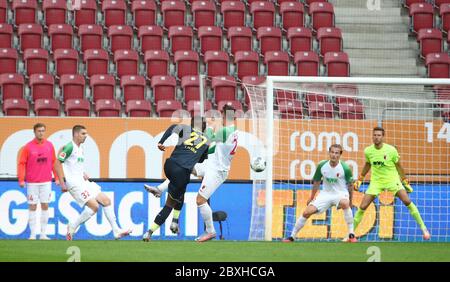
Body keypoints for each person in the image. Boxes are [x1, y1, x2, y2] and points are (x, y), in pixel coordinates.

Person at [145, 106, 238, 242]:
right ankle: (160, 189)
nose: (220, 118)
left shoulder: (225, 131)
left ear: (225, 116)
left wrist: (210, 128)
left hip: (217, 170)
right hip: (212, 164)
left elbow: (208, 140)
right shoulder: (234, 131)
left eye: (221, 116)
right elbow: (209, 148)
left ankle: (210, 231)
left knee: (200, 201)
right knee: (184, 168)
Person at [55, 125, 131, 240]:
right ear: (76, 134)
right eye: (83, 134)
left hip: (83, 181)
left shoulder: (80, 147)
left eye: (86, 133)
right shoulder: (70, 147)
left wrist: (83, 173)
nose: (86, 136)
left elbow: (74, 164)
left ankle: (116, 231)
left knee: (106, 200)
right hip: (74, 184)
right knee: (95, 206)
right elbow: (57, 163)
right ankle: (73, 225)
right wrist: (62, 183)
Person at [353, 127, 430, 240]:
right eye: (374, 135)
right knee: (363, 206)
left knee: (407, 201)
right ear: (372, 136)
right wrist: (360, 179)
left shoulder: (391, 150)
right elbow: (368, 164)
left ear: (383, 137)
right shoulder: (368, 151)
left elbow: (399, 166)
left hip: (392, 180)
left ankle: (424, 229)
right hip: (376, 182)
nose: (376, 137)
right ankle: (350, 234)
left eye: (379, 135)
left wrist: (404, 180)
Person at [143, 116, 210, 241]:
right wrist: (195, 154)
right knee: (170, 203)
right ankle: (150, 232)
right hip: (182, 172)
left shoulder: (186, 129)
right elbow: (201, 159)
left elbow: (172, 127)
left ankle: (160, 190)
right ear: (204, 127)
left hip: (169, 165)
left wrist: (161, 142)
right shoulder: (207, 141)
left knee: (180, 189)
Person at [283, 144, 356, 243]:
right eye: (332, 152)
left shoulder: (345, 168)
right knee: (306, 212)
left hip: (340, 193)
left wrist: (350, 201)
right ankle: (292, 236)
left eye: (336, 153)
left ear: (340, 155)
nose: (334, 155)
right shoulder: (322, 165)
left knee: (345, 203)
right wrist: (312, 197)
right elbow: (317, 182)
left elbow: (350, 185)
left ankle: (351, 235)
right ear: (329, 153)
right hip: (325, 194)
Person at [18, 123, 66, 240]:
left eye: (43, 131)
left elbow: (54, 162)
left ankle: (43, 233)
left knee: (45, 205)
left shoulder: (49, 146)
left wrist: (57, 177)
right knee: (32, 206)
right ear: (34, 132)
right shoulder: (28, 147)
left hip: (46, 182)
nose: (41, 133)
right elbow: (22, 163)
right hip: (32, 182)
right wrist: (21, 179)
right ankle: (33, 234)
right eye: (39, 131)